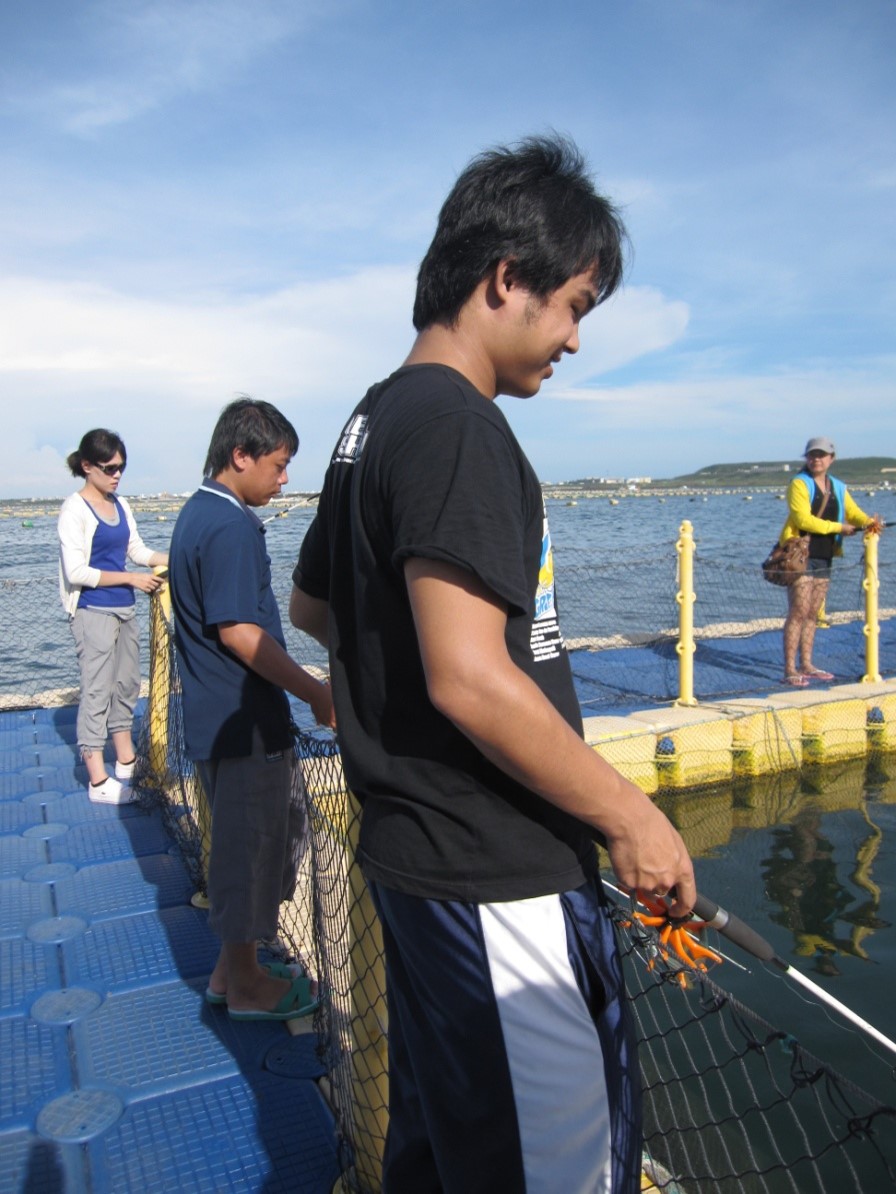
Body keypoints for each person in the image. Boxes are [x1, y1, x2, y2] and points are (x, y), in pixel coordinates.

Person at [290, 135, 695, 1193]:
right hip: (496, 878)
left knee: (446, 1152)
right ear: (502, 279)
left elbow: (312, 602)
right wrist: (632, 818)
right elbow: (469, 677)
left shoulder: (372, 416)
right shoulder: (457, 427)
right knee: (558, 1171)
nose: (571, 339)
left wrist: (383, 703)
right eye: (570, 305)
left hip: (416, 865)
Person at [168, 398, 335, 1022]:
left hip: (217, 722)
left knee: (245, 848)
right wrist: (315, 691)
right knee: (252, 853)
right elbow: (240, 631)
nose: (283, 479)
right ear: (241, 457)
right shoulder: (232, 526)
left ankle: (229, 971)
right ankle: (244, 986)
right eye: (279, 464)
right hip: (244, 729)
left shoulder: (197, 513)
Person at [58, 429, 168, 805]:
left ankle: (125, 761)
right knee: (97, 689)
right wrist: (131, 579)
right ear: (87, 466)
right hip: (92, 611)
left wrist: (173, 557)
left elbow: (136, 549)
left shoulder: (120, 504)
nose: (116, 475)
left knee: (125, 685)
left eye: (121, 467)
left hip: (124, 608)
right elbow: (77, 572)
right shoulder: (74, 509)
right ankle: (97, 778)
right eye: (109, 468)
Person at [780, 436, 881, 687]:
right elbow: (803, 520)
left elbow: (853, 512)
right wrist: (839, 527)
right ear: (806, 458)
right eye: (812, 455)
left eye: (822, 455)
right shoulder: (799, 484)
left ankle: (807, 663)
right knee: (798, 611)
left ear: (831, 459)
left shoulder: (837, 486)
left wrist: (869, 522)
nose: (816, 459)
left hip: (825, 555)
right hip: (799, 557)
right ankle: (790, 668)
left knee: (813, 611)